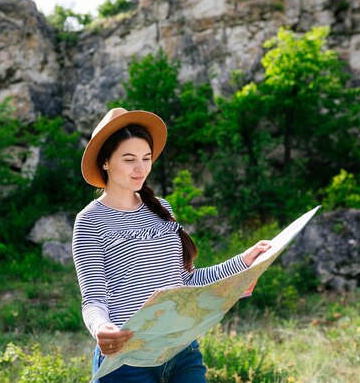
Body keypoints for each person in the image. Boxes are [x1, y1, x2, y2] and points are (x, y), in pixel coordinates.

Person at [71, 107, 271, 383]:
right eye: (129, 159)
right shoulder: (90, 221)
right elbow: (93, 299)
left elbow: (187, 280)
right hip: (127, 359)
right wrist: (101, 328)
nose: (141, 168)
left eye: (146, 158)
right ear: (105, 161)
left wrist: (243, 262)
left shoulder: (161, 208)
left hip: (182, 350)